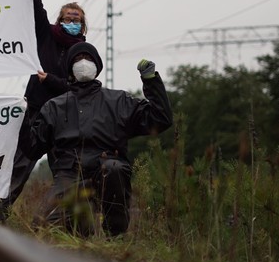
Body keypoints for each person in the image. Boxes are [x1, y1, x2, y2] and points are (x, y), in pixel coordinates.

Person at [23, 42, 172, 236]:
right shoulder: (54, 107)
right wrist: (23, 119)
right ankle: (82, 230)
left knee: (113, 168)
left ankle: (115, 234)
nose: (83, 63)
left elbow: (160, 119)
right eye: (77, 59)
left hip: (106, 170)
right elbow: (32, 148)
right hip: (69, 175)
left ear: (97, 66)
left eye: (89, 59)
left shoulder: (119, 101)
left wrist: (151, 81)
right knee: (42, 230)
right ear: (70, 69)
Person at [0, 0, 88, 222]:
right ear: (60, 19)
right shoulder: (46, 36)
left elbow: (77, 88)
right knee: (20, 164)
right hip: (37, 114)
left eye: (77, 19)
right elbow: (36, 8)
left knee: (64, 170)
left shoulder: (84, 54)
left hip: (63, 119)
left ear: (82, 24)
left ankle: (65, 220)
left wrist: (50, 80)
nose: (72, 21)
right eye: (68, 17)